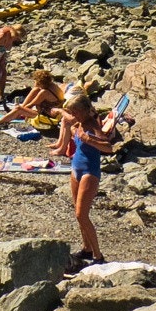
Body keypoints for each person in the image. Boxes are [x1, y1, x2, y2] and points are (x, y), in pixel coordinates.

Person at [51, 91, 121, 268]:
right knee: (78, 215)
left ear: (84, 110)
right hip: (76, 169)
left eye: (76, 112)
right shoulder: (79, 121)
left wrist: (88, 139)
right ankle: (87, 248)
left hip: (90, 172)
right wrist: (59, 112)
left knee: (81, 214)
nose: (73, 115)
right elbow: (67, 117)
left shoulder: (90, 124)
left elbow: (108, 147)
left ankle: (98, 255)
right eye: (72, 112)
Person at [0, 70, 66, 128]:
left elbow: (31, 105)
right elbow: (35, 91)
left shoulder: (44, 92)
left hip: (48, 115)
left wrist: (19, 110)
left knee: (19, 109)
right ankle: (11, 115)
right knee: (35, 90)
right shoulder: (52, 85)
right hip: (50, 109)